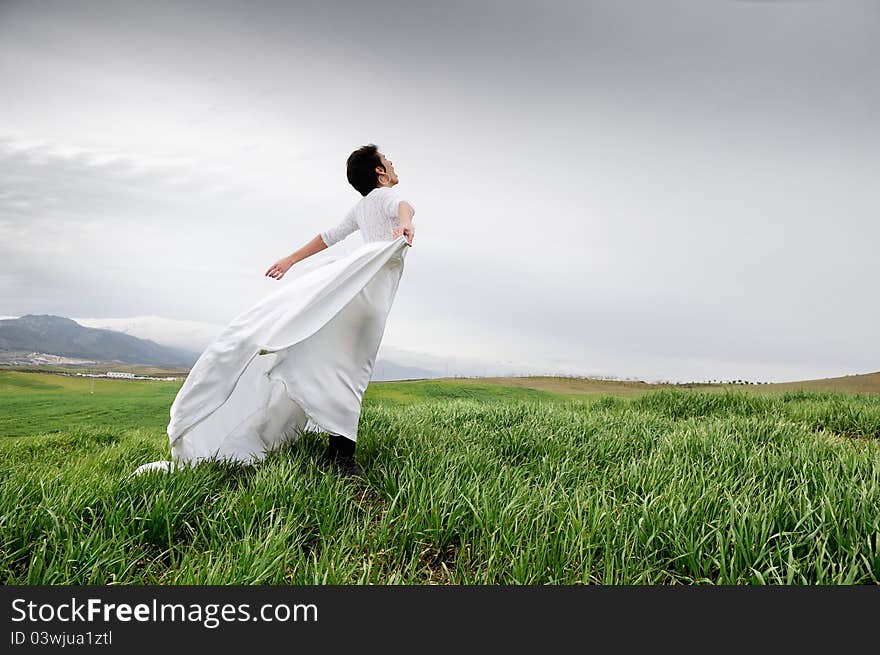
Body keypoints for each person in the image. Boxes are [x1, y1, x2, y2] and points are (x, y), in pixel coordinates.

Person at [130, 144, 415, 479]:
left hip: (358, 295)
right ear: (379, 172)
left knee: (340, 366)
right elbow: (403, 206)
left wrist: (289, 260)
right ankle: (342, 459)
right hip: (365, 298)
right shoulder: (382, 199)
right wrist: (405, 224)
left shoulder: (362, 206)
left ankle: (334, 443)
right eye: (387, 161)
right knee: (352, 369)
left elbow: (330, 236)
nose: (393, 164)